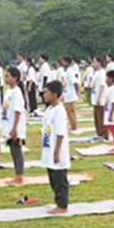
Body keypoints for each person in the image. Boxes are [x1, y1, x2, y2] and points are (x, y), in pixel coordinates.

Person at [40, 80, 71, 214]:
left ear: (54, 94)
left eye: (46, 92)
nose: (44, 95)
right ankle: (57, 201)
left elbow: (60, 133)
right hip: (49, 147)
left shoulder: (59, 110)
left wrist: (57, 151)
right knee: (52, 178)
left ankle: (62, 205)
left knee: (60, 180)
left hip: (57, 149)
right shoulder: (49, 109)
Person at [2, 66, 27, 185]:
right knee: (12, 150)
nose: (5, 79)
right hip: (9, 124)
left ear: (15, 78)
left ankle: (20, 177)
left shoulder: (17, 92)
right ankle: (17, 175)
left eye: (8, 76)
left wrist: (14, 129)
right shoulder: (8, 91)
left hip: (15, 126)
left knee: (17, 151)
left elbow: (18, 111)